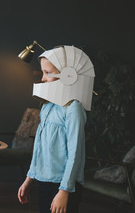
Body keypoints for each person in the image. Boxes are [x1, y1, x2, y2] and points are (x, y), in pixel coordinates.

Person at [17, 45, 95, 213]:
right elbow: (39, 147)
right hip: (44, 181)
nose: (43, 78)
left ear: (67, 76)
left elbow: (76, 153)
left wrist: (64, 190)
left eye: (47, 73)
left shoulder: (73, 108)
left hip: (63, 186)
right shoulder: (47, 106)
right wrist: (30, 178)